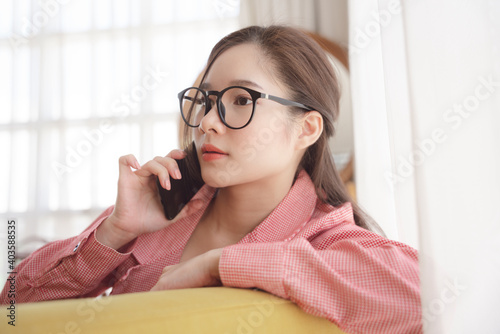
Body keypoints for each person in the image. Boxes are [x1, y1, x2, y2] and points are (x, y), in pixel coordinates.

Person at [1, 25, 421, 333]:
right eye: (206, 100)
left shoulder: (324, 240)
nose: (207, 123)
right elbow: (14, 308)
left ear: (307, 129)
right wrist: (113, 233)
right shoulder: (163, 209)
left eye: (241, 100)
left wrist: (218, 267)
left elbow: (422, 296)